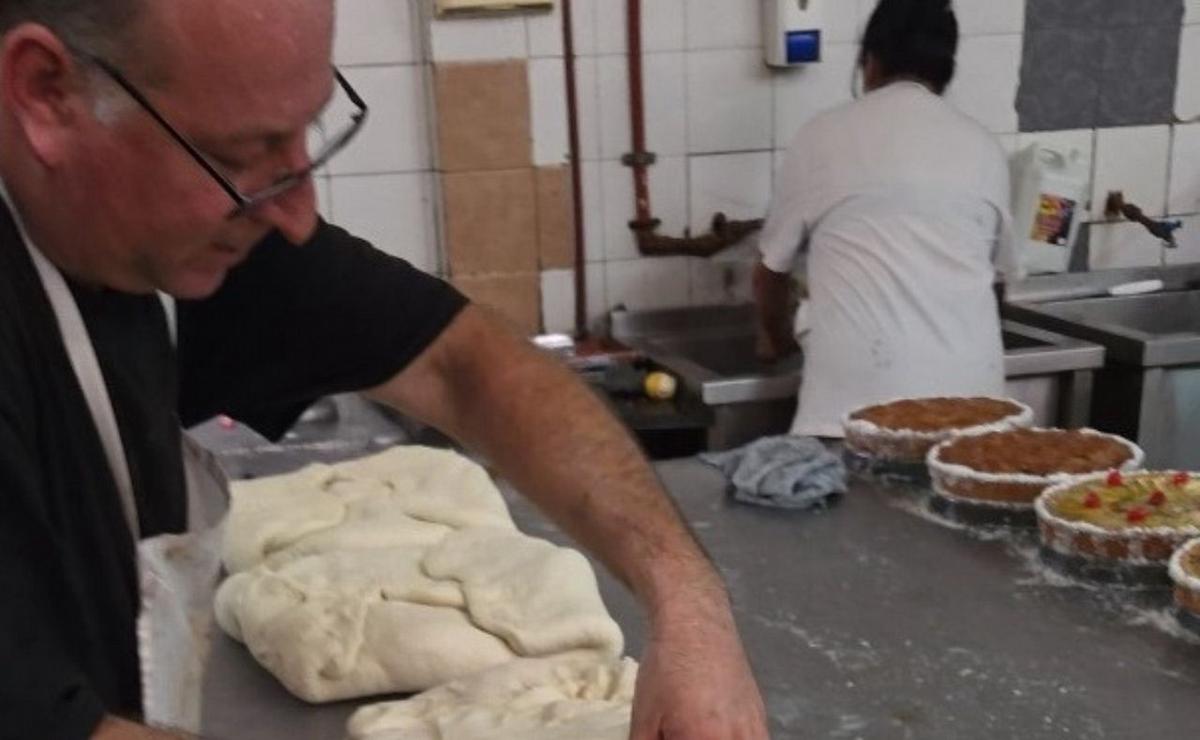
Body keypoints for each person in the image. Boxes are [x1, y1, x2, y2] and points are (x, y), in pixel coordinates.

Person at [0, 1, 767, 738]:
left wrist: (689, 607)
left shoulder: (157, 239)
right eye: (239, 156)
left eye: (306, 135)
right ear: (47, 94)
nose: (296, 214)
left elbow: (460, 361)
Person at [755, 0, 1019, 437]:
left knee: (852, 505)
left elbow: (768, 275)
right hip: (974, 417)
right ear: (945, 70)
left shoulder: (823, 136)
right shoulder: (983, 147)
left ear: (869, 62)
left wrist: (775, 340)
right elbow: (997, 282)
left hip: (853, 415)